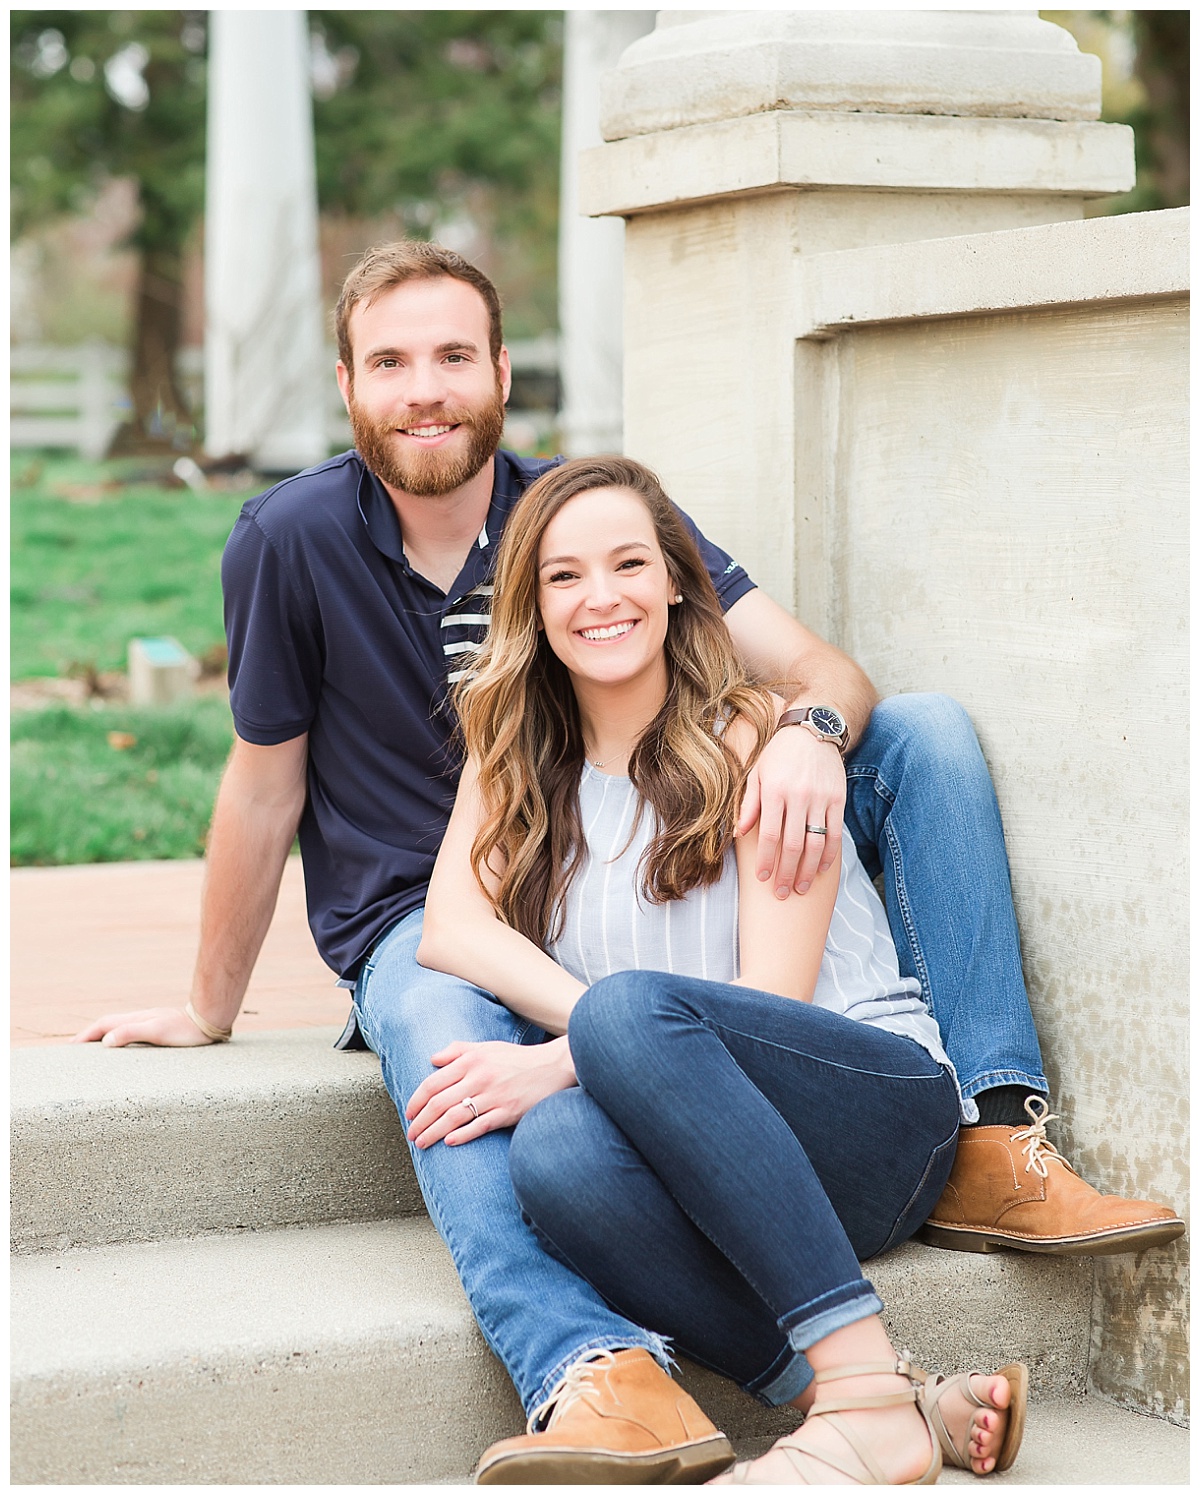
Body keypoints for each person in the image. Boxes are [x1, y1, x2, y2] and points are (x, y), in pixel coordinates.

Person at [73, 242, 1182, 1476]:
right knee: (528, 1118)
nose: (426, 387)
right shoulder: (319, 564)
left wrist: (809, 732)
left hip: (775, 1038)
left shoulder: (610, 542)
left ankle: (991, 1131)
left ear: (503, 370)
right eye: (390, 361)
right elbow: (282, 791)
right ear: (347, 384)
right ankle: (757, 1381)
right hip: (455, 907)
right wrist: (205, 1005)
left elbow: (815, 702)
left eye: (454, 355)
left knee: (917, 736)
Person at [414, 453, 1028, 1484]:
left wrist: (569, 1054)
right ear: (531, 603)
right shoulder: (512, 749)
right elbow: (449, 927)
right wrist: (594, 1051)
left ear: (674, 584)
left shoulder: (751, 733)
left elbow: (769, 1004)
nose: (600, 597)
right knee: (555, 1157)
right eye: (564, 576)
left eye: (628, 564)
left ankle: (864, 1399)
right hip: (718, 1150)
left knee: (594, 1056)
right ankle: (888, 1397)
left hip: (871, 1116)